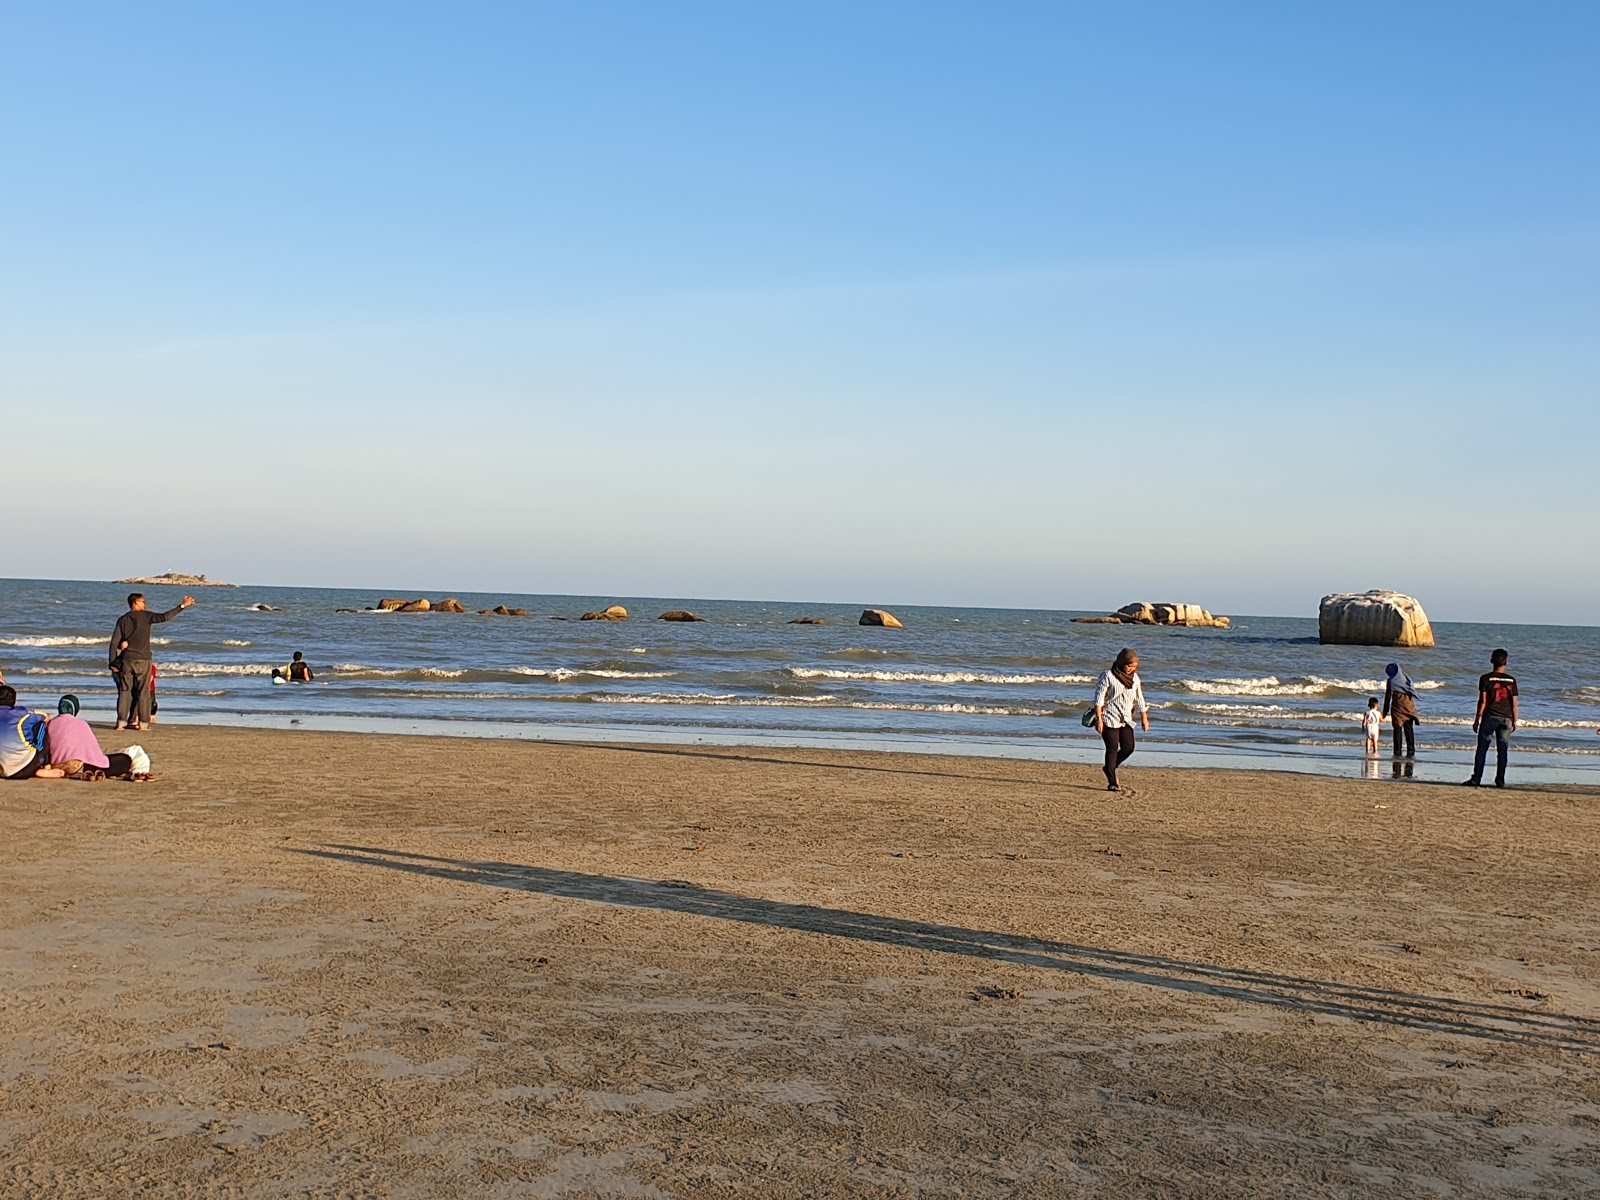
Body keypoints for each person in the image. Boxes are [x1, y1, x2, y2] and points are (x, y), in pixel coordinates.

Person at [109, 592, 195, 730]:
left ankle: (121, 723)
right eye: (142, 601)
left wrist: (112, 662)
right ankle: (143, 724)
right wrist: (182, 605)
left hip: (127, 659)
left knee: (125, 692)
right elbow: (165, 616)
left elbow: (114, 642)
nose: (145, 603)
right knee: (143, 692)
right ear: (135, 603)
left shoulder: (123, 619)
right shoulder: (146, 616)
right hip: (143, 659)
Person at [1093, 648, 1150, 793]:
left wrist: (1144, 717)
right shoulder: (1108, 675)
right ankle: (1112, 782)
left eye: (1134, 667)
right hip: (1109, 717)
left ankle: (1109, 768)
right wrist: (1099, 719)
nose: (1131, 669)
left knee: (1128, 747)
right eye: (1129, 666)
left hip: (1126, 718)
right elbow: (1099, 698)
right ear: (1122, 663)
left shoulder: (1135, 678)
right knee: (1111, 749)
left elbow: (1139, 698)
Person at [46, 694, 136, 779]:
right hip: (78, 766)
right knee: (124, 759)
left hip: (56, 765)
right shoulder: (81, 724)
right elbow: (93, 752)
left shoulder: (50, 724)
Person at [1465, 648, 1519, 788]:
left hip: (1490, 716)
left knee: (1482, 748)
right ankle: (1500, 780)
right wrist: (1515, 720)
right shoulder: (1511, 680)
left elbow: (1482, 701)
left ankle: (1477, 778)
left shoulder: (1485, 678)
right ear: (1506, 662)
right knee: (1503, 750)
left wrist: (1477, 719)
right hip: (1506, 717)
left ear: (1491, 661)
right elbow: (1514, 703)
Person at [0, 686, 62, 780]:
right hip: (26, 767)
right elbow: (46, 717)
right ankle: (45, 764)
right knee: (41, 725)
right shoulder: (22, 713)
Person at [1382, 662, 1420, 757]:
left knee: (1397, 729)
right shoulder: (1407, 679)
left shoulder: (1391, 681)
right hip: (1408, 707)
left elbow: (1388, 697)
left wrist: (1385, 711)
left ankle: (1397, 751)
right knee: (1409, 729)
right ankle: (1411, 751)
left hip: (1397, 709)